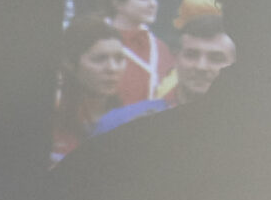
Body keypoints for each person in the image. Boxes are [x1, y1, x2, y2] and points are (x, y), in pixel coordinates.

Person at [95, 13, 237, 132]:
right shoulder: (120, 123)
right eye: (191, 55)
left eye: (216, 58)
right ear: (175, 59)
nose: (201, 66)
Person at [52, 21, 128, 162]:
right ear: (70, 63)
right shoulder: (53, 117)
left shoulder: (131, 118)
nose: (112, 68)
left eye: (119, 59)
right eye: (99, 59)